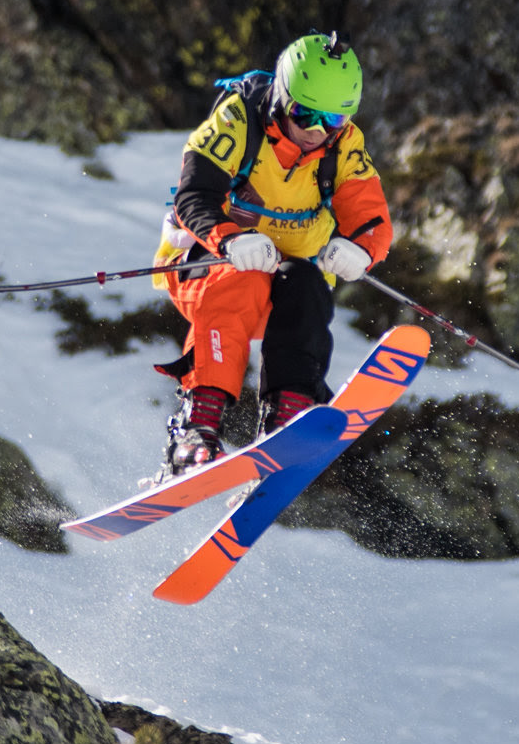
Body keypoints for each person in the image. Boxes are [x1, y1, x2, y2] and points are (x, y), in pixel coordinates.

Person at [151, 31, 395, 478]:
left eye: (332, 121)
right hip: (205, 264)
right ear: (283, 98)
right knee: (242, 282)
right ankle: (197, 427)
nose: (316, 133)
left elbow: (370, 215)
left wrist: (362, 249)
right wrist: (228, 239)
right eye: (306, 115)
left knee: (307, 286)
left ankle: (289, 417)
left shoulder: (344, 147)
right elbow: (193, 196)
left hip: (287, 279)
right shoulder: (237, 120)